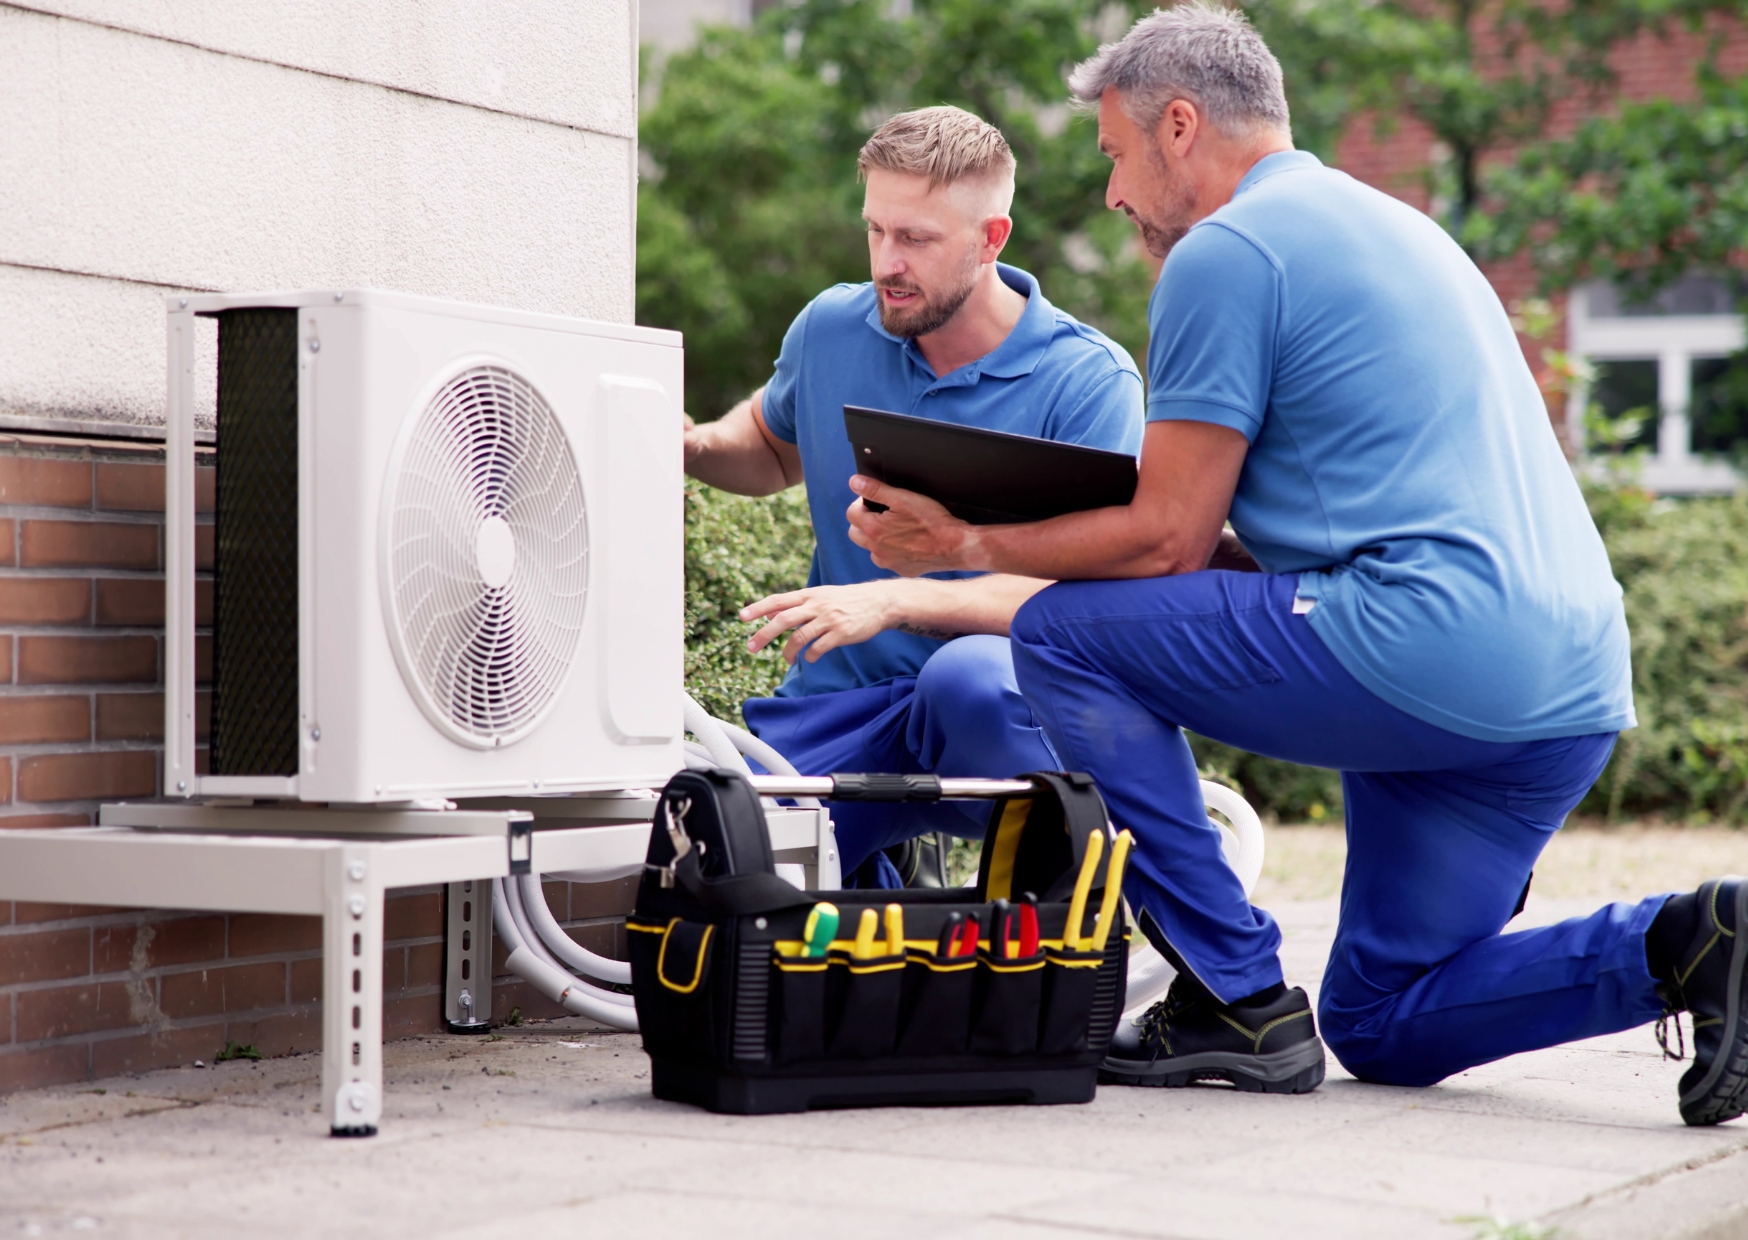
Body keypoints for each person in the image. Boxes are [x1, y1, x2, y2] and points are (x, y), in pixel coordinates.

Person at [844, 4, 1748, 1126]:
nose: (1115, 194)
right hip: (1560, 686)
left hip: (1416, 641)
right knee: (1382, 1018)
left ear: (1179, 127)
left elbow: (1167, 541)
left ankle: (1235, 994)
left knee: (1058, 638)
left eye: (1116, 156)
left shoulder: (1226, 250)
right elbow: (1243, 535)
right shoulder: (1396, 225)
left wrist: (964, 543)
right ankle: (1694, 938)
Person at [683, 106, 1144, 887]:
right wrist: (688, 446)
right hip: (840, 700)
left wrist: (895, 602)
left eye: (917, 239)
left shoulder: (1088, 382)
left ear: (991, 238)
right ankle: (882, 880)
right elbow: (766, 447)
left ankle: (1080, 903)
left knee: (963, 681)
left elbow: (1093, 595)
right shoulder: (830, 329)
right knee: (728, 871)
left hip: (1001, 705)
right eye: (876, 231)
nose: (886, 263)